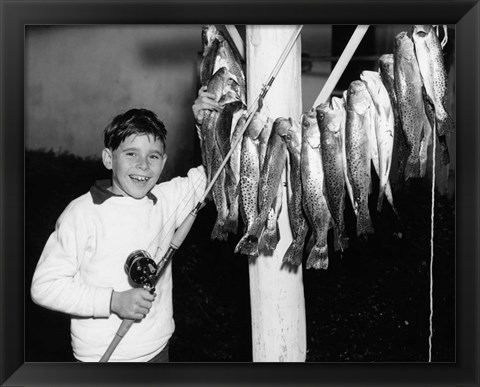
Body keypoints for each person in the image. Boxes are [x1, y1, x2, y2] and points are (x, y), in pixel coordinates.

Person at [31, 90, 220, 362]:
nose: (143, 165)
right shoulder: (82, 213)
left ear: (163, 162)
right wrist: (113, 301)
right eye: (131, 154)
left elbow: (215, 172)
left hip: (158, 351)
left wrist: (206, 122)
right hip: (102, 359)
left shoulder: (168, 198)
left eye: (153, 156)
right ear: (109, 158)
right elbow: (45, 287)